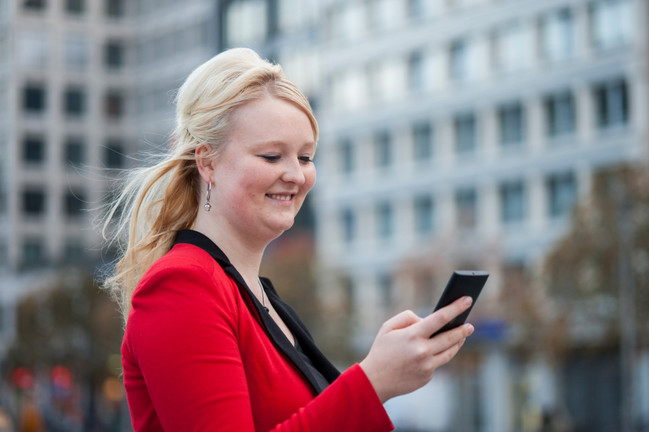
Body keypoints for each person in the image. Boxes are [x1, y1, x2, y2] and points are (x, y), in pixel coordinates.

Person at [103, 47, 475, 432]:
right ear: (207, 161)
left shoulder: (259, 297)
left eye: (305, 157)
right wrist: (372, 381)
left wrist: (376, 378)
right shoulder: (183, 285)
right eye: (271, 156)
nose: (296, 175)